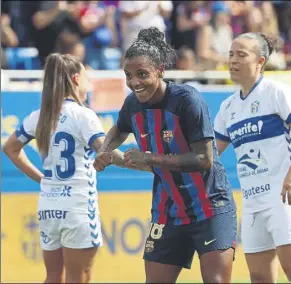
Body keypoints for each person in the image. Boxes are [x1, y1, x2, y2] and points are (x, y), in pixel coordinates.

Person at [93, 27, 237, 283]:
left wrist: (149, 158)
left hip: (211, 206)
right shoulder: (132, 104)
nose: (134, 82)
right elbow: (119, 128)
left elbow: (204, 160)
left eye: (142, 74)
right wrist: (104, 150)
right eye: (128, 75)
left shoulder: (187, 100)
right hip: (168, 210)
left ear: (160, 70)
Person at [3, 53, 126, 283]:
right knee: (78, 277)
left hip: (48, 204)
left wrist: (42, 179)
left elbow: (10, 148)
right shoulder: (83, 115)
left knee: (52, 276)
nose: (89, 84)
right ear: (77, 79)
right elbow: (105, 150)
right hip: (77, 205)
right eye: (87, 78)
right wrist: (140, 161)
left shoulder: (40, 116)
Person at [214, 32, 291, 283]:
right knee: (258, 277)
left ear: (260, 61)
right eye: (231, 54)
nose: (233, 60)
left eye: (241, 55)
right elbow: (209, 154)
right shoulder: (227, 108)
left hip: (284, 197)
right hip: (252, 201)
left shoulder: (277, 93)